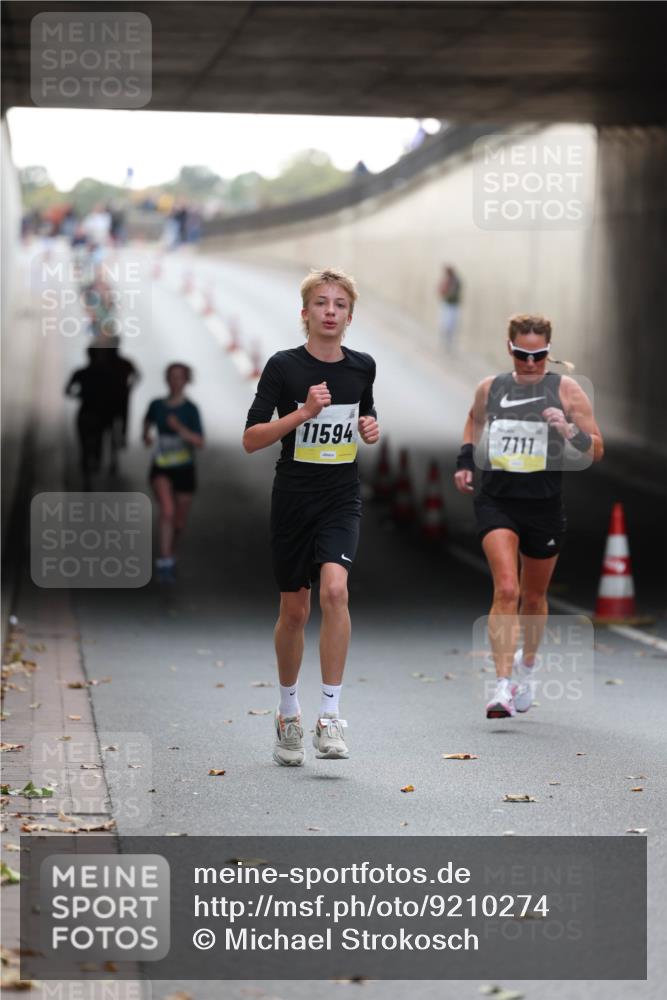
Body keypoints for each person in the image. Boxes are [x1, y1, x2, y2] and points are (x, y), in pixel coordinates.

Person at [243, 267, 380, 766]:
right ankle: (287, 713)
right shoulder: (283, 366)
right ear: (305, 313)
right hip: (294, 498)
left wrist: (368, 427)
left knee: (336, 590)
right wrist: (301, 414)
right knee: (295, 612)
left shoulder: (362, 366)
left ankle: (329, 716)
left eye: (339, 304)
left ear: (349, 315)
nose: (330, 311)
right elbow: (251, 438)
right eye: (321, 303)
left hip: (340, 497)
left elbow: (363, 417)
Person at [453, 314, 603, 719]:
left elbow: (596, 449)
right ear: (510, 348)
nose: (530, 363)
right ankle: (502, 685)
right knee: (506, 588)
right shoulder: (492, 387)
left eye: (538, 355)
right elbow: (473, 419)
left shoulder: (567, 390)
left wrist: (569, 430)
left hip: (543, 505)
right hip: (497, 500)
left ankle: (528, 666)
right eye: (522, 354)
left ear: (548, 353)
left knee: (534, 597)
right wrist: (466, 461)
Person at [143, 363, 204, 584]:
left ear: (186, 381)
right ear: (167, 379)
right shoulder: (156, 405)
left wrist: (180, 429)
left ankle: (171, 552)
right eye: (171, 377)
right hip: (161, 467)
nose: (175, 381)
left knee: (179, 521)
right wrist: (147, 436)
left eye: (179, 377)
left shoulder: (190, 410)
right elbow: (147, 425)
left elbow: (200, 442)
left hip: (185, 469)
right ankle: (165, 559)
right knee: (167, 511)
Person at [65, 346, 118, 489]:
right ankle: (94, 465)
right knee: (98, 442)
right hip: (102, 414)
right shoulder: (109, 373)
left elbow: (67, 391)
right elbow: (116, 394)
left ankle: (87, 479)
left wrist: (80, 396)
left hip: (85, 413)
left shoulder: (80, 372)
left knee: (83, 447)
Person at [438, 265, 462, 353]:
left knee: (451, 326)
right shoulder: (446, 280)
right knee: (444, 325)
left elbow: (452, 294)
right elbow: (440, 290)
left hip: (453, 307)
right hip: (446, 305)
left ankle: (450, 344)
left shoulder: (456, 281)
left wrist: (446, 292)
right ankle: (444, 342)